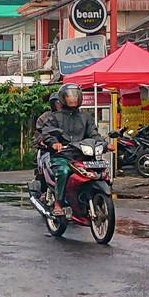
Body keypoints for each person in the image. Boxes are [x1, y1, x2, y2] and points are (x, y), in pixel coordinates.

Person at [37, 83, 100, 217]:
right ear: (62, 98)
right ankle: (58, 203)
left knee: (98, 170)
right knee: (63, 171)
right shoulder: (54, 117)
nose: (72, 99)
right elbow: (47, 132)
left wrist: (103, 144)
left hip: (82, 156)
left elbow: (94, 134)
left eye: (75, 96)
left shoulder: (86, 117)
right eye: (69, 96)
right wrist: (54, 143)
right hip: (62, 156)